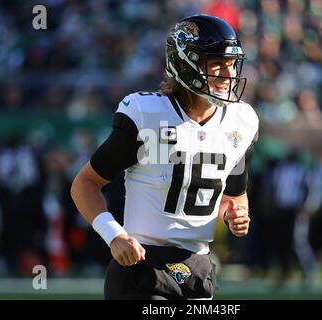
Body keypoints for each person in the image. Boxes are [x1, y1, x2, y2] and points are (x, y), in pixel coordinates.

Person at [70, 14, 259, 300]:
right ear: (186, 64)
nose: (228, 73)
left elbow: (235, 194)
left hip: (198, 268)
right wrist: (114, 235)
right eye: (216, 63)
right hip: (142, 265)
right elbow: (85, 183)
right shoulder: (147, 115)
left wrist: (236, 213)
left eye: (231, 63)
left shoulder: (241, 121)